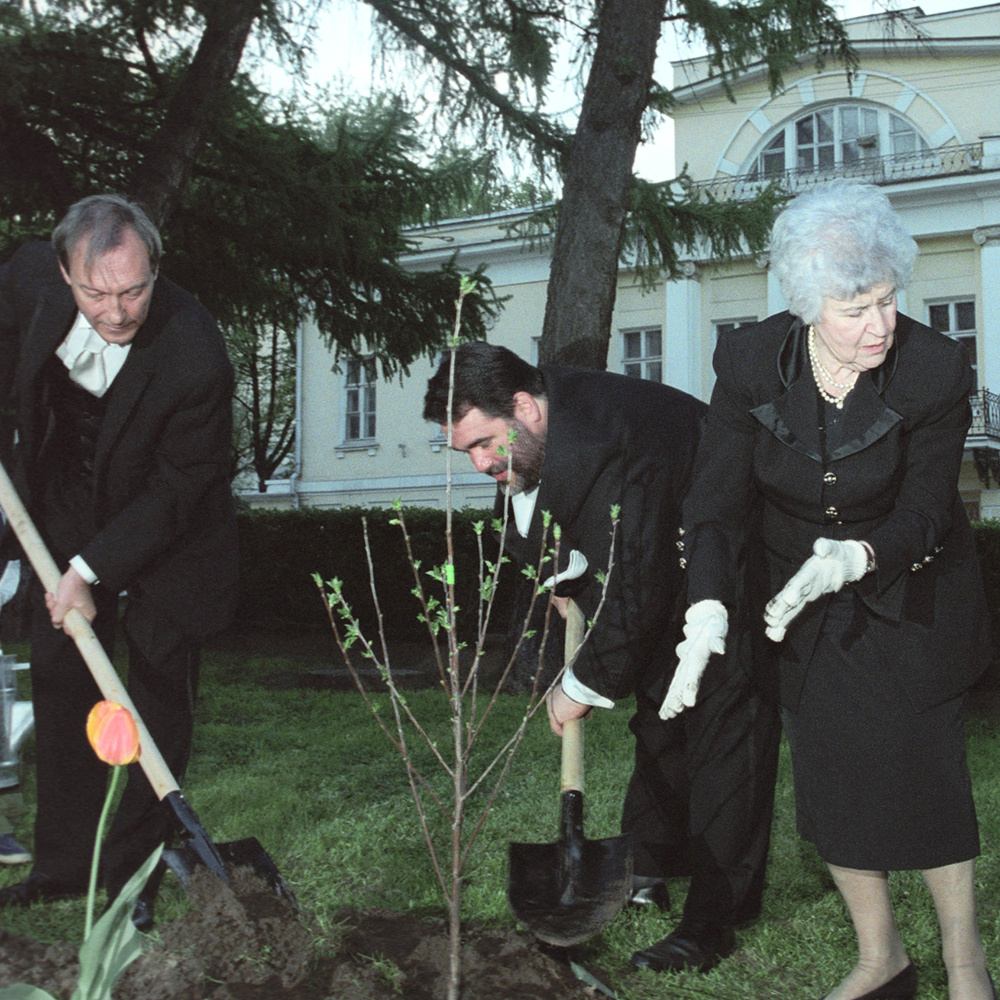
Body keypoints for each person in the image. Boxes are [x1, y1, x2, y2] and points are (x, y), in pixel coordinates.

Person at [670, 181, 995, 1000]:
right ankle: (880, 958)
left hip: (912, 594)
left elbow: (927, 509)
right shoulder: (750, 362)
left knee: (925, 780)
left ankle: (967, 968)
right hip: (800, 607)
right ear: (808, 304)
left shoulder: (934, 366)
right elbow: (714, 500)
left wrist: (855, 557)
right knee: (834, 780)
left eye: (888, 299)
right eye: (856, 309)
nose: (880, 324)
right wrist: (706, 605)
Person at [423, 342, 782, 972]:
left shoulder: (614, 438)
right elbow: (532, 511)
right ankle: (649, 863)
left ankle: (713, 919)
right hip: (663, 562)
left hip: (734, 570)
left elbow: (638, 586)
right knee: (662, 718)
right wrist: (560, 578)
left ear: (525, 407)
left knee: (727, 735)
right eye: (466, 451)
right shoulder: (540, 420)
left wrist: (580, 684)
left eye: (484, 444)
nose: (479, 463)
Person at [0, 194, 238, 930]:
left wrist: (93, 571)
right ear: (65, 273)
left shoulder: (195, 351)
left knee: (158, 688)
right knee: (64, 677)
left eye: (134, 289)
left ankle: (140, 866)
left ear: (156, 271)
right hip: (67, 498)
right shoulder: (28, 279)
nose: (116, 310)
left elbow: (177, 489)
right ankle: (66, 866)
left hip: (173, 530)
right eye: (96, 292)